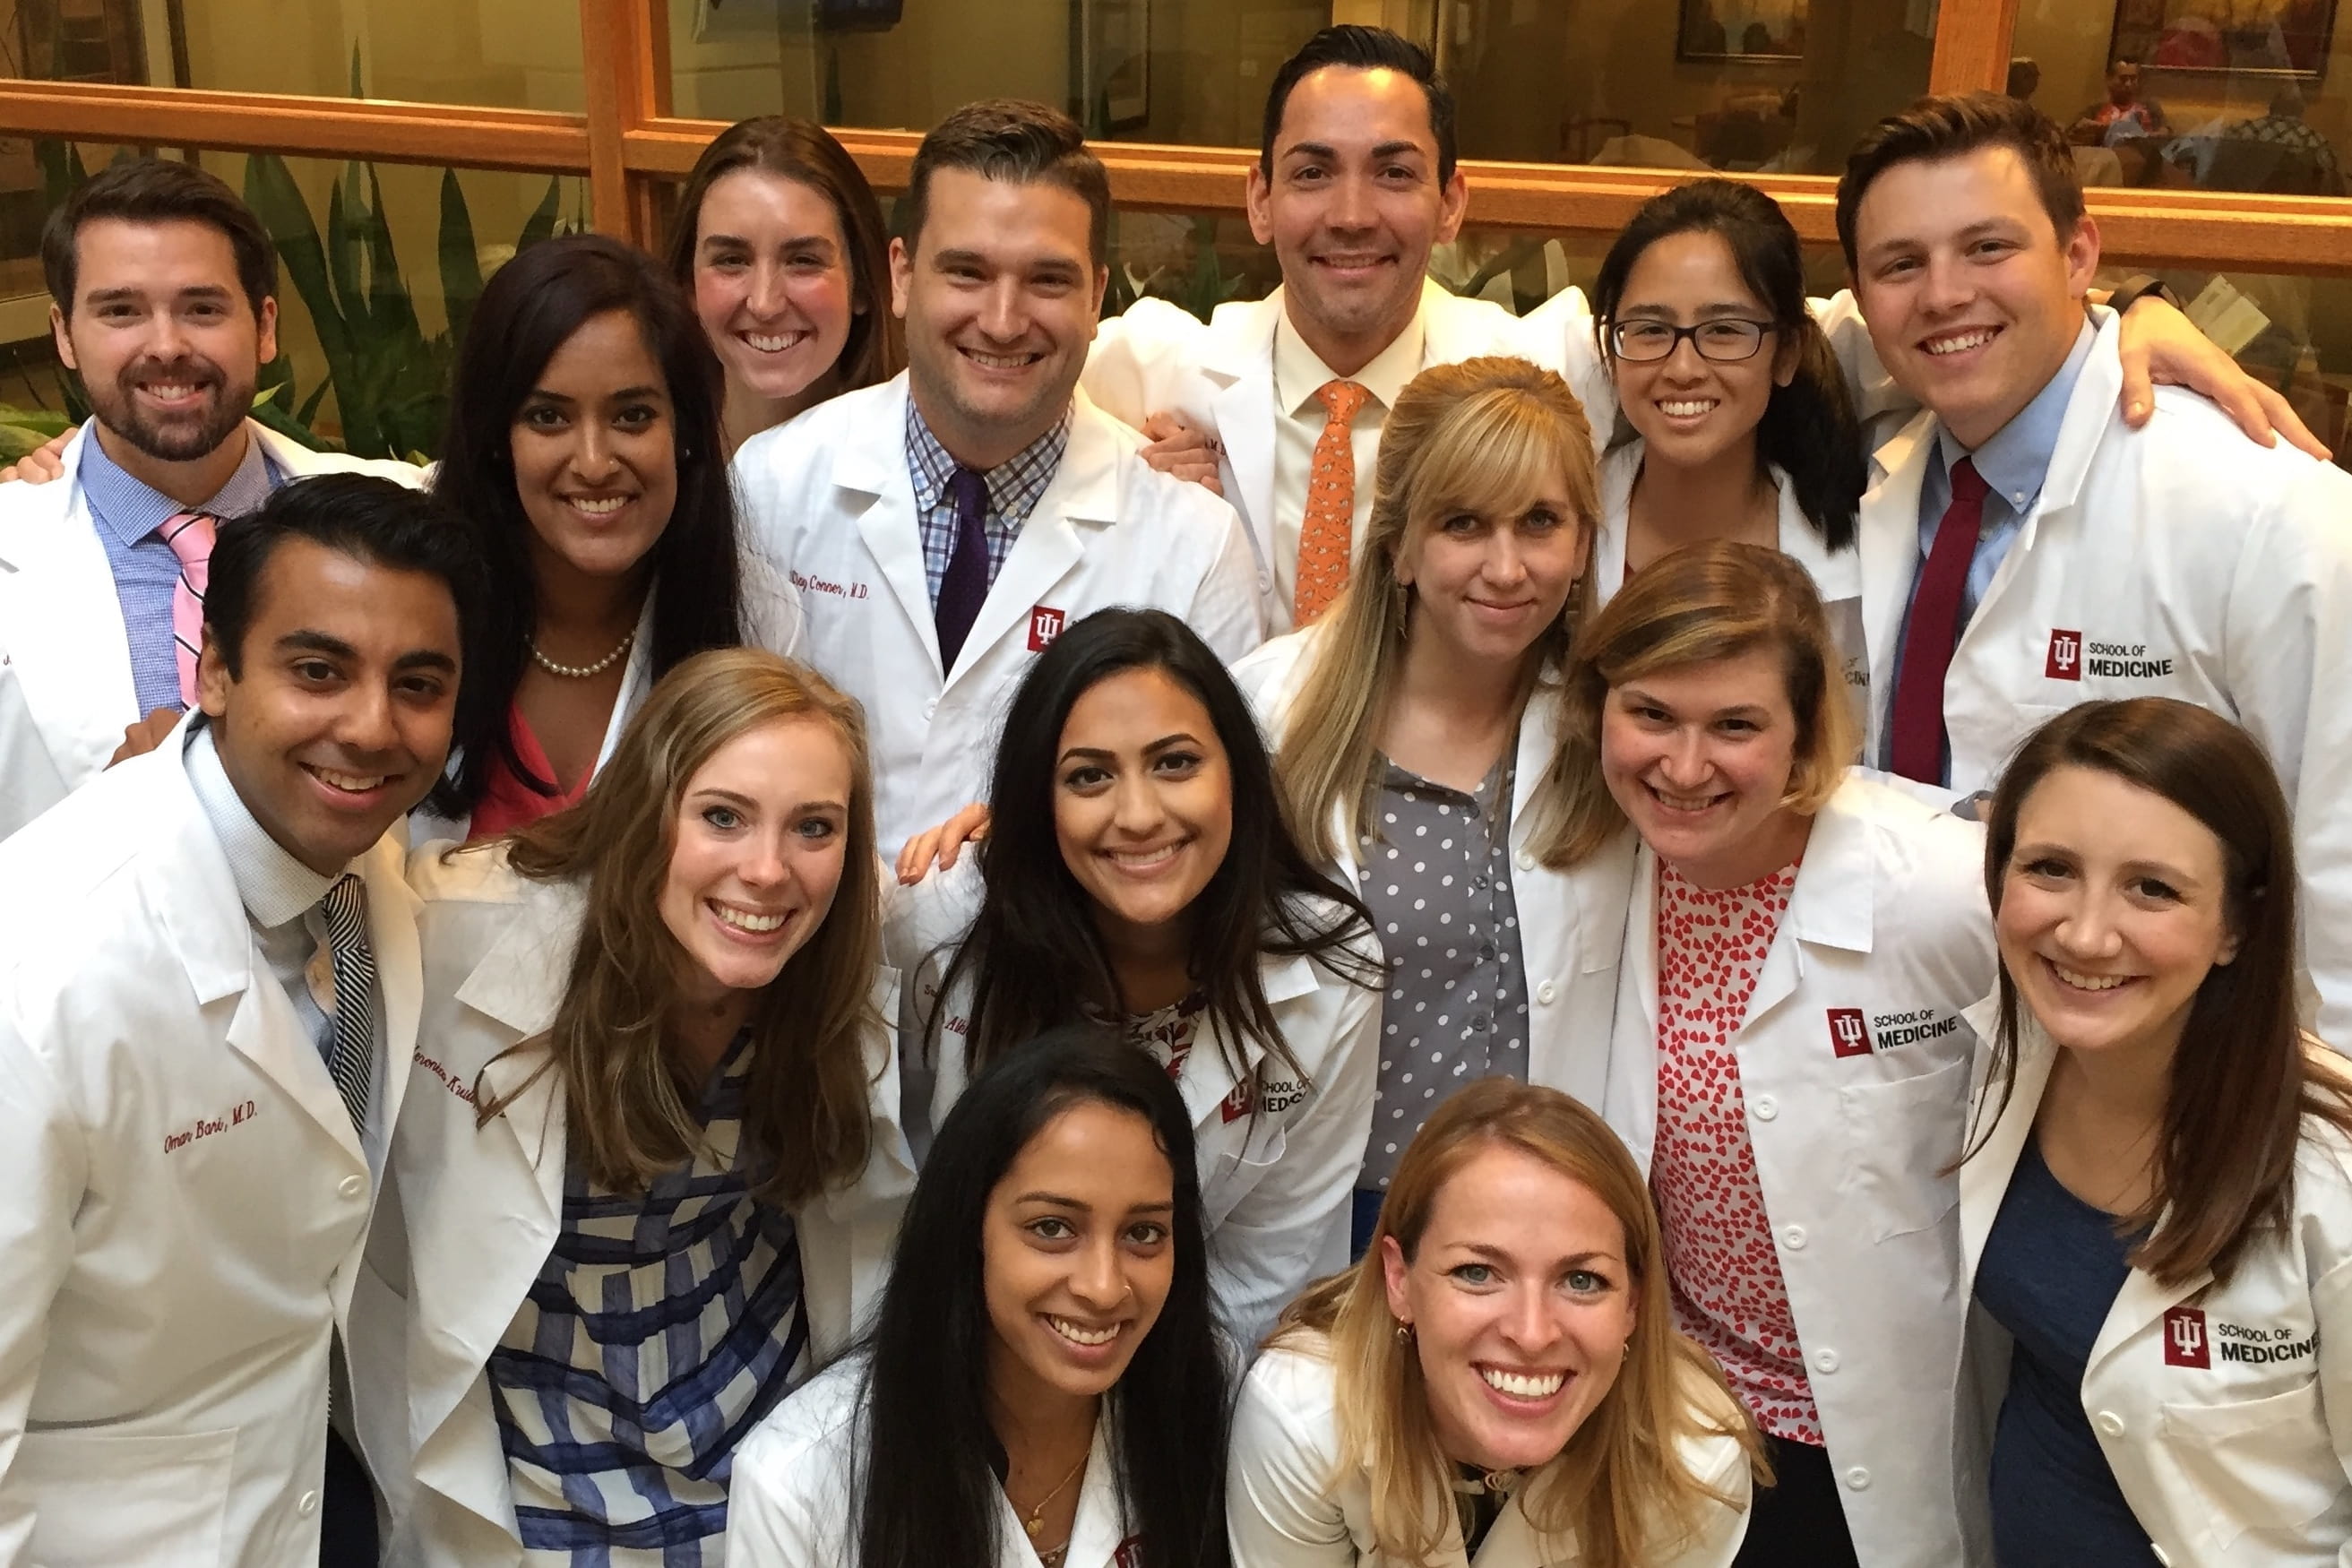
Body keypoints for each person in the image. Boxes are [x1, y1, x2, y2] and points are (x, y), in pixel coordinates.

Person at [1080, 27, 2314, 642]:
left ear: (1452, 202)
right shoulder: (1157, 359)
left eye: (1395, 173)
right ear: (1256, 200)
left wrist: (2118, 322)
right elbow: (1006, 376)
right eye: (1312, 173)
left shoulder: (1547, 362)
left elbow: (1866, 327)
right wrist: (1119, 465)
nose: (1352, 216)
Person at [0, 475, 478, 1565]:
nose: (369, 728)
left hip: (310, 1480)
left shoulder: (364, 880)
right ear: (213, 670)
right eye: (318, 671)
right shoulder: (39, 969)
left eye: (418, 683)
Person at [371, 647, 913, 1566]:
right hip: (534, 1430)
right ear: (644, 811)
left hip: (754, 1406)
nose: (770, 870)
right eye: (722, 817)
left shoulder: (841, 959)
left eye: (814, 827)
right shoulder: (460, 930)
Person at [1838, 90, 2352, 1045]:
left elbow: (2341, 856)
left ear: (2080, 254)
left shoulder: (2264, 506)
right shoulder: (1887, 478)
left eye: (1989, 248)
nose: (1945, 293)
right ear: (1863, 301)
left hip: (2180, 1087)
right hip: (1923, 1051)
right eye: (1901, 264)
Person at [1572, 542, 1995, 1567]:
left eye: (1735, 726)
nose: (1683, 765)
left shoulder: (1936, 881)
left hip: (1882, 1432)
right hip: (1686, 1417)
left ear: (1805, 735)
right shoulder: (1603, 870)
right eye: (1652, 715)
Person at [732, 99, 1262, 857]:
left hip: (1058, 970)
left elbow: (1213, 831)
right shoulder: (773, 484)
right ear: (902, 274)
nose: (1004, 321)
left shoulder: (1192, 548)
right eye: (967, 272)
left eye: (1047, 279)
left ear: (1095, 297)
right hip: (805, 958)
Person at [892, 607, 1381, 1348]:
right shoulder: (940, 923)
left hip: (1194, 1364)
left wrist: (1156, 1430)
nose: (1139, 814)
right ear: (1038, 800)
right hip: (966, 1345)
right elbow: (902, 1188)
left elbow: (1267, 1264)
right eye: (1089, 777)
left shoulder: (1331, 967)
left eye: (1175, 762)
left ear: (1237, 775)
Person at [1235, 357, 1630, 1260]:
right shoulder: (1274, 714)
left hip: (1548, 1222)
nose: (1506, 566)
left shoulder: (1614, 729)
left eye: (1541, 522)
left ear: (1581, 542)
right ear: (1401, 545)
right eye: (1463, 523)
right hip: (1335, 1219)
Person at [1960, 698, 2352, 1566]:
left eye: (2154, 888)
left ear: (2238, 926)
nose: (2087, 933)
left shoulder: (2331, 1176)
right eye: (2050, 868)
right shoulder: (2008, 1054)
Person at [0, 158, 421, 840]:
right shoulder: (14, 538)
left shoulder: (409, 515)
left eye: (201, 308)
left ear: (265, 326)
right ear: (63, 335)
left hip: (368, 937)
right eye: (121, 311)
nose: (165, 346)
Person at [727, 1025, 1233, 1568]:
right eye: (1052, 1227)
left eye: (1143, 1233)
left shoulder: (1206, 1395)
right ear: (968, 1228)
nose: (1105, 1287)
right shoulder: (799, 1478)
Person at [1228, 1078, 1762, 1566]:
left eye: (1582, 1281)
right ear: (1399, 1281)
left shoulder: (1694, 1459)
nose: (1532, 1334)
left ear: (1634, 1306)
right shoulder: (1302, 1417)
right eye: (1477, 1272)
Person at [422, 232, 799, 841]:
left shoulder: (761, 623)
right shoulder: (414, 596)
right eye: (548, 417)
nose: (595, 462)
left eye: (632, 416)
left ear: (684, 432)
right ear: (497, 437)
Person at [1589, 178, 1868, 710]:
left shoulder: (1860, 549)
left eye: (1724, 330)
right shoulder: (1564, 526)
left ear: (1786, 353)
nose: (1683, 368)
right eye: (1649, 329)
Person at [663, 115, 900, 453]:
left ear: (861, 281)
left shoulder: (919, 470)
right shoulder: (650, 469)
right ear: (688, 284)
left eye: (803, 261)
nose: (764, 303)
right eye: (732, 260)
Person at [2069, 58, 2168, 149]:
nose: (2128, 84)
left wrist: (2149, 136)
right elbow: (2073, 137)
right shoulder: (2094, 111)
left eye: (2133, 79)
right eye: (2123, 79)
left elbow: (2166, 133)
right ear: (2109, 80)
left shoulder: (2151, 108)